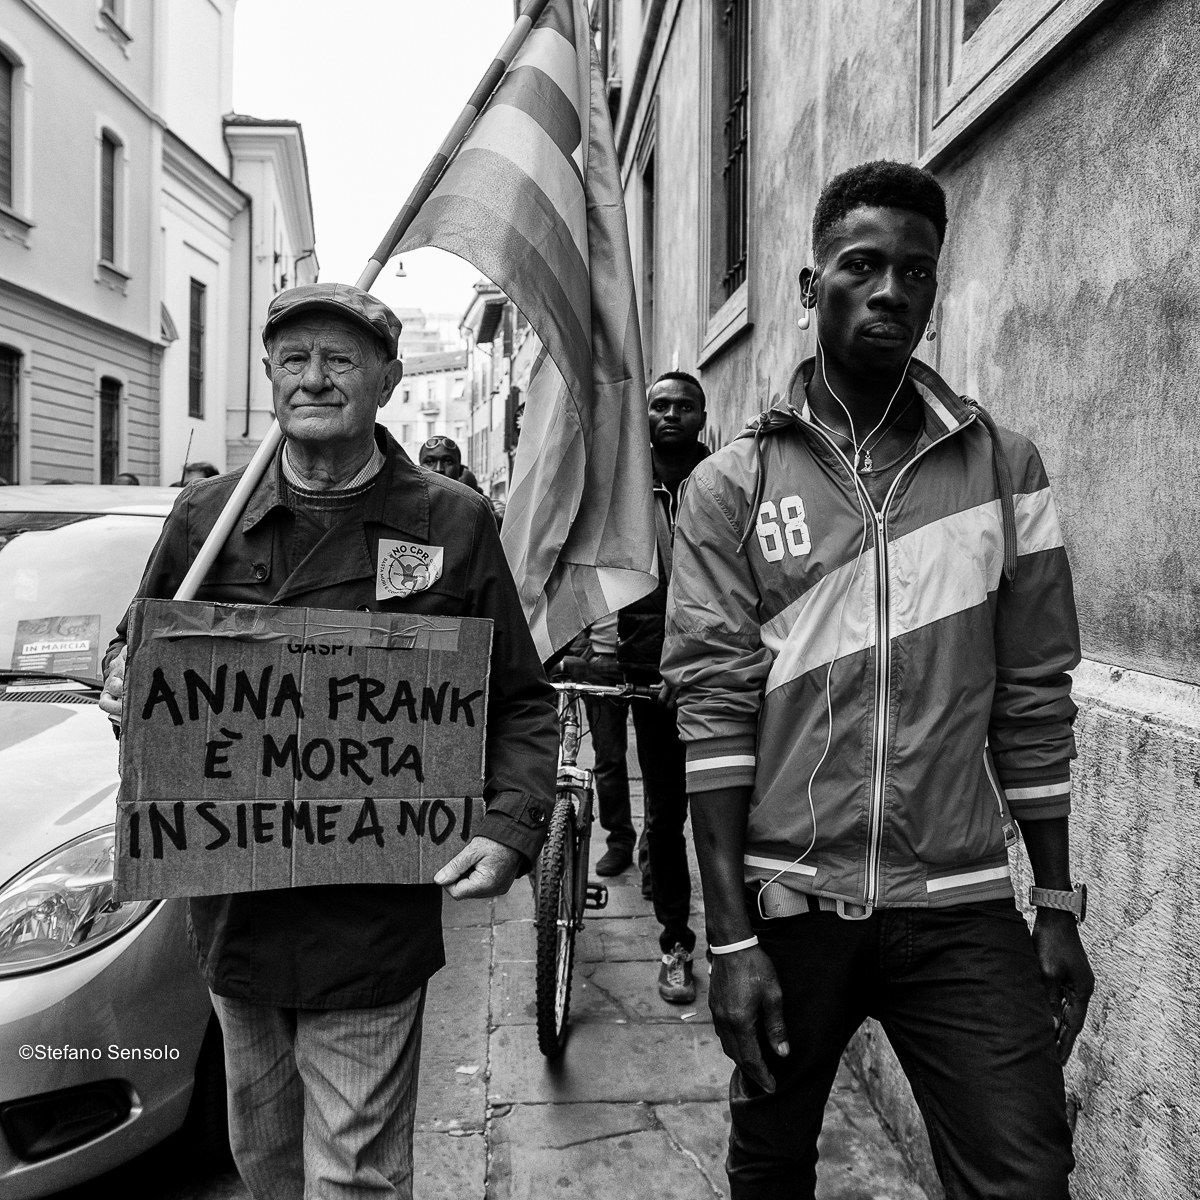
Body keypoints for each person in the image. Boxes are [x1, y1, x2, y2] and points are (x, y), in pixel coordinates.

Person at [662, 161, 1094, 1199]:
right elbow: (713, 713)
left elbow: (1034, 696)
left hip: (959, 904)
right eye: (862, 265)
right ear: (811, 288)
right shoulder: (734, 486)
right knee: (770, 1169)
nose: (891, 289)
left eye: (916, 271)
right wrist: (729, 937)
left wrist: (1060, 903)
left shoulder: (1006, 471)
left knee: (1028, 1175)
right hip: (790, 903)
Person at [100, 282, 557, 1200]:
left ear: (387, 380)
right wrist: (126, 677)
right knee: (264, 1160)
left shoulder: (451, 524)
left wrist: (511, 829)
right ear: (268, 374)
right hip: (237, 913)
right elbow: (136, 648)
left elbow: (519, 703)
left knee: (354, 1177)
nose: (314, 377)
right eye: (294, 358)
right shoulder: (205, 520)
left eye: (340, 360)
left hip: (372, 920)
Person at [619, 370, 709, 1004]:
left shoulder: (725, 477)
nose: (671, 414)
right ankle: (676, 941)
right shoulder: (626, 485)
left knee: (731, 813)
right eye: (659, 404)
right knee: (667, 810)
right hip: (646, 674)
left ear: (702, 415)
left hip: (714, 672)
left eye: (684, 405)